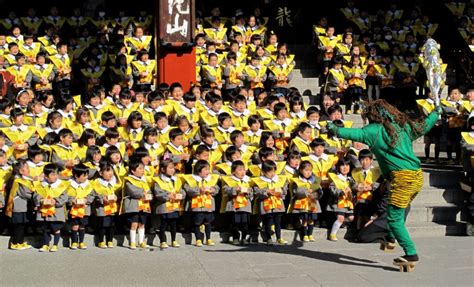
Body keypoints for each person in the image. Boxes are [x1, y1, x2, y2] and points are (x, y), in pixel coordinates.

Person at [327, 99, 441, 268]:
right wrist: (436, 112)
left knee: (394, 218)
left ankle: (411, 254)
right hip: (416, 176)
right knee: (395, 209)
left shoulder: (373, 131)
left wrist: (333, 128)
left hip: (402, 179)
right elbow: (424, 126)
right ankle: (390, 238)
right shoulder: (404, 126)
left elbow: (350, 133)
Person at [153, 160, 185, 249]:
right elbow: (158, 193)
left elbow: (181, 190)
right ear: (163, 169)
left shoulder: (176, 179)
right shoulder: (158, 180)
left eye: (173, 168)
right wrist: (168, 195)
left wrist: (181, 195)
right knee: (164, 223)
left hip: (175, 205)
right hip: (164, 206)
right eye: (170, 168)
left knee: (173, 223)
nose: (172, 170)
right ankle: (162, 241)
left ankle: (173, 240)